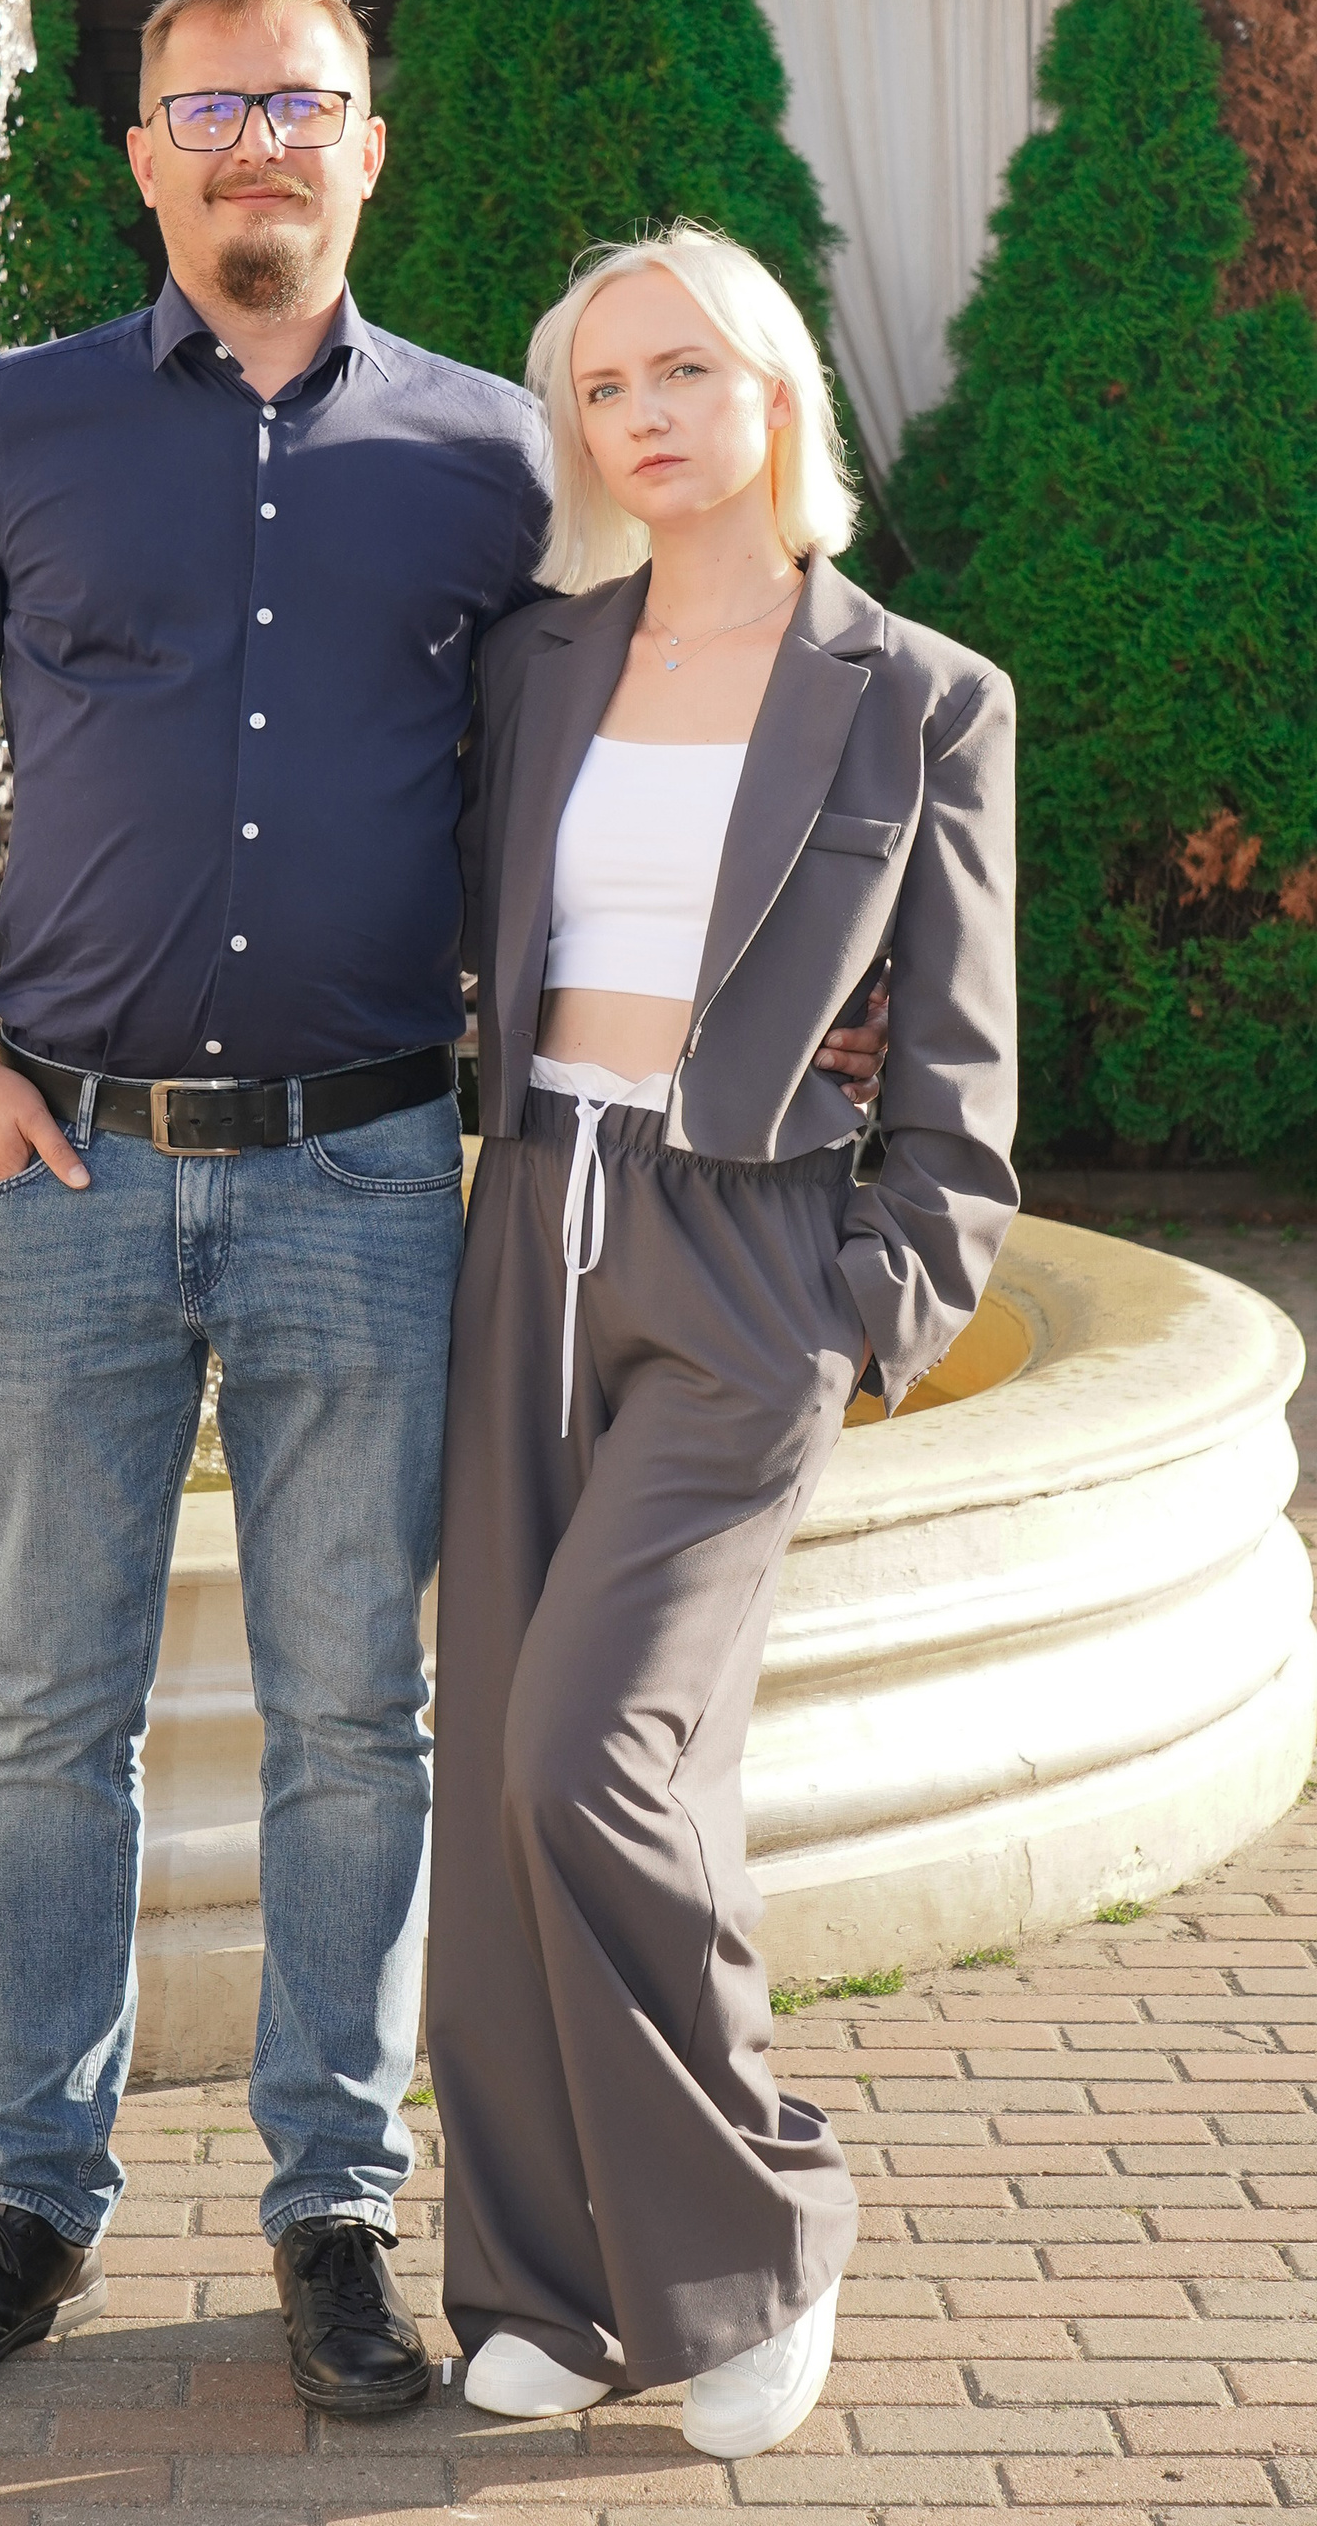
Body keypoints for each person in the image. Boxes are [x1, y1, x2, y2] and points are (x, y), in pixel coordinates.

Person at [0, 0, 889, 2417]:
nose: (255, 146)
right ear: (144, 154)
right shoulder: (13, 427)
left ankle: (337, 2204)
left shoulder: (506, 458)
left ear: (366, 148)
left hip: (377, 1169)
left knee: (356, 1719)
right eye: (207, 108)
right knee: (46, 1716)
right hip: (64, 1170)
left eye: (298, 103)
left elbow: (665, 711)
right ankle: (29, 2196)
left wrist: (804, 970)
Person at [428, 224, 1017, 2457]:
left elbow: (961, 1078)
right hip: (527, 1223)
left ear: (775, 389)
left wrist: (867, 1319)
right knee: (496, 1777)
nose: (643, 416)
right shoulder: (537, 662)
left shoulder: (920, 694)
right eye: (602, 387)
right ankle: (549, 2279)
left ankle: (760, 2232)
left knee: (596, 1756)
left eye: (683, 369)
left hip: (746, 1261)